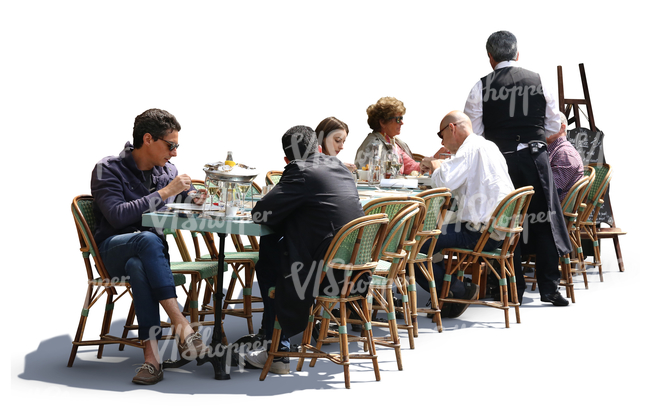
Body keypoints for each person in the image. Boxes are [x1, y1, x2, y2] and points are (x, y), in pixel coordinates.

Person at [91, 108, 209, 385]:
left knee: (139, 264)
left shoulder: (166, 170)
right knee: (145, 241)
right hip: (112, 251)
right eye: (171, 145)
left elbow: (186, 194)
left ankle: (152, 361)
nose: (175, 153)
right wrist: (166, 192)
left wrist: (194, 197)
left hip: (149, 259)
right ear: (148, 139)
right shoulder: (108, 169)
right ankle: (181, 324)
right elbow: (117, 215)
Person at [245, 125, 366, 374]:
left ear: (288, 159)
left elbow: (260, 214)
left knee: (268, 256)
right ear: (319, 148)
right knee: (276, 250)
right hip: (357, 273)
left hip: (322, 276)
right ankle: (277, 343)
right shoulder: (340, 167)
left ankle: (278, 351)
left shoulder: (299, 170)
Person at [463, 30, 572, 306]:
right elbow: (552, 125)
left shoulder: (480, 86)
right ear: (517, 54)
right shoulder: (538, 80)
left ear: (490, 58)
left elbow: (474, 134)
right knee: (543, 220)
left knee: (506, 224)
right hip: (536, 158)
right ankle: (549, 288)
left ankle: (514, 289)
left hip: (501, 162)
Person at [417, 111, 514, 318]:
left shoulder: (469, 148)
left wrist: (435, 163)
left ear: (451, 128)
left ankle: (457, 290)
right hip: (500, 232)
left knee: (416, 241)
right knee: (434, 232)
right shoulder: (488, 146)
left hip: (480, 233)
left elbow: (444, 184)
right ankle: (448, 295)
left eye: (441, 135)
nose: (442, 141)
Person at [354, 97, 423, 174]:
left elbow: (413, 167)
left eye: (401, 118)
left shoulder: (394, 143)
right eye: (398, 119)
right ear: (382, 122)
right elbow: (367, 176)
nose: (402, 122)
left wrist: (431, 162)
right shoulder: (373, 145)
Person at [546, 113, 584, 201]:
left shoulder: (565, 154)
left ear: (562, 128)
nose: (542, 128)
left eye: (547, 124)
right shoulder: (556, 150)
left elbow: (550, 192)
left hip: (551, 212)